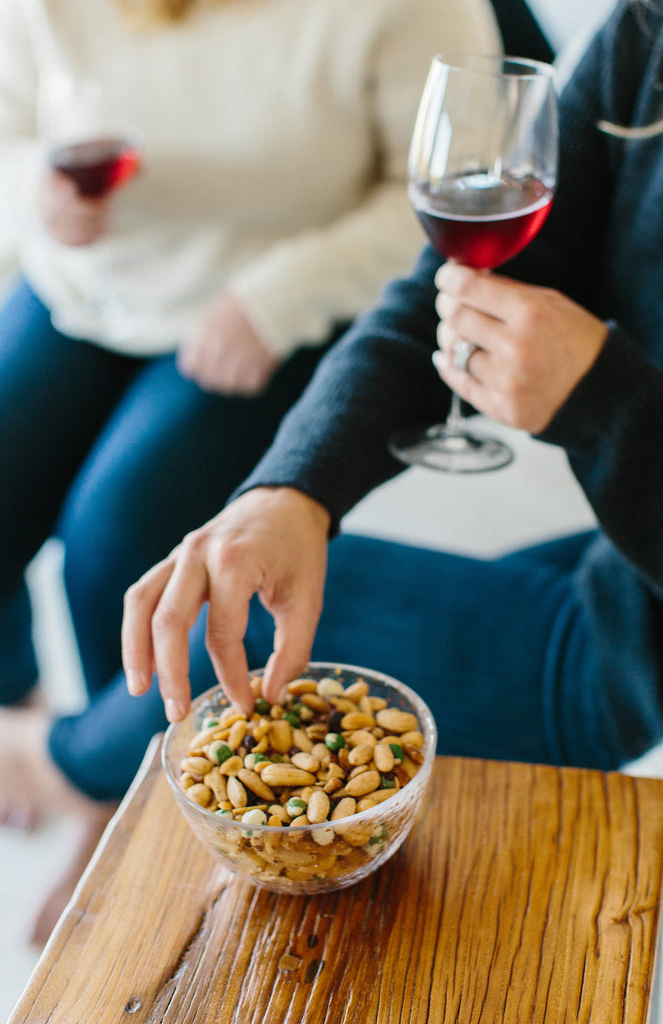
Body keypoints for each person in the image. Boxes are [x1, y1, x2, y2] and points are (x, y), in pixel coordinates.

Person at [0, 0, 503, 941]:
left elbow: (443, 185)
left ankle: (108, 792)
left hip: (271, 299)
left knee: (119, 535)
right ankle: (22, 708)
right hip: (87, 280)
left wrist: (280, 297)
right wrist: (36, 195)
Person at [121, 0, 663, 781]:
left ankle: (50, 775)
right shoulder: (642, 36)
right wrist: (291, 489)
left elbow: (604, 400)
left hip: (635, 654)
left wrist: (605, 408)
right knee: (223, 592)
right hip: (624, 567)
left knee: (236, 660)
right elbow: (444, 300)